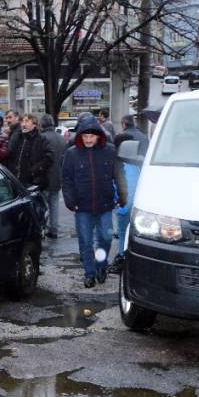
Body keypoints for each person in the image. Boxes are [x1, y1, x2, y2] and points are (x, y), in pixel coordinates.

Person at [62, 115, 128, 288]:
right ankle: (89, 273)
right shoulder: (71, 154)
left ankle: (101, 265)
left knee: (105, 239)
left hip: (105, 204)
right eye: (85, 136)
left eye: (91, 136)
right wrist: (70, 201)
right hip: (82, 206)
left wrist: (123, 196)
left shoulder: (110, 151)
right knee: (85, 242)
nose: (88, 139)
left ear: (99, 135)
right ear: (80, 136)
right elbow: (66, 180)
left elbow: (119, 175)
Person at [107, 115, 149, 274]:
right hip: (133, 203)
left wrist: (122, 207)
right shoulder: (134, 163)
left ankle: (122, 260)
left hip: (127, 206)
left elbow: (127, 189)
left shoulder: (124, 166)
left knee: (124, 232)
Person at [39, 114, 67, 239]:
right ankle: (54, 229)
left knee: (42, 205)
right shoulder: (61, 138)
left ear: (42, 125)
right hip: (57, 177)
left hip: (43, 178)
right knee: (54, 204)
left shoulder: (41, 138)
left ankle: (42, 229)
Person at [6, 113, 53, 189]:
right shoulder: (19, 137)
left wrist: (33, 171)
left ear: (34, 124)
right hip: (17, 180)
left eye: (27, 121)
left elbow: (49, 158)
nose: (23, 124)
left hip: (33, 183)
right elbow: (11, 153)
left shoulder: (41, 139)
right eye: (23, 121)